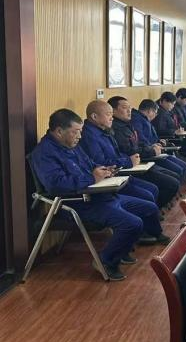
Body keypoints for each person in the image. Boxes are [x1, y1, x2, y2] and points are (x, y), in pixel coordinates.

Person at [31, 109, 168, 280]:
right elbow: (55, 185)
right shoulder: (44, 153)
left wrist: (103, 170)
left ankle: (122, 249)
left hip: (99, 196)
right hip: (78, 204)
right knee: (132, 223)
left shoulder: (73, 146)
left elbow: (90, 164)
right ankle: (106, 261)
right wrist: (91, 177)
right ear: (59, 131)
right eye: (76, 132)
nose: (80, 136)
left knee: (149, 207)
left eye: (81, 131)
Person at [79, 100, 160, 206]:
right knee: (148, 195)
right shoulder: (89, 136)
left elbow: (117, 153)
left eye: (111, 114)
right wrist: (128, 161)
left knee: (152, 189)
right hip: (107, 181)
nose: (111, 118)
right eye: (108, 114)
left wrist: (131, 159)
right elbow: (100, 163)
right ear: (94, 116)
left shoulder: (105, 130)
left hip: (120, 174)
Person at [108, 96, 181, 207]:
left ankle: (155, 208)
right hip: (133, 167)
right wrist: (151, 151)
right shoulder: (115, 129)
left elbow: (138, 143)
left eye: (130, 107)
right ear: (112, 111)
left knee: (175, 175)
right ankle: (155, 209)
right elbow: (129, 151)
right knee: (170, 184)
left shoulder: (127, 124)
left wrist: (152, 146)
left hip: (142, 161)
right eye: (125, 108)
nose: (129, 111)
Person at [132, 99, 186, 180]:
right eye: (155, 113)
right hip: (150, 154)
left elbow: (151, 137)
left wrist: (159, 141)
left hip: (157, 151)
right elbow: (140, 140)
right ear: (150, 111)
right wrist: (152, 146)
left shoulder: (144, 119)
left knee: (183, 166)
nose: (156, 115)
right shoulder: (137, 120)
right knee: (178, 171)